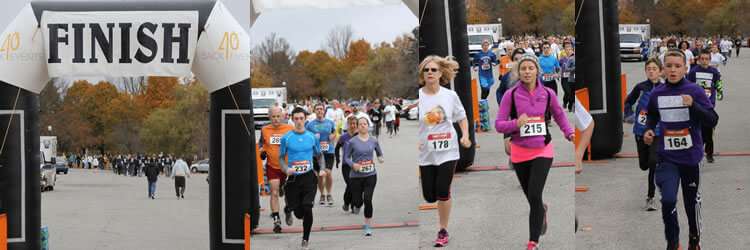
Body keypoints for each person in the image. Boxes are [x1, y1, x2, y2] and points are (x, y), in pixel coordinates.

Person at [494, 54, 574, 250]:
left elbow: (559, 114)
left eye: (531, 68)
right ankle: (542, 212)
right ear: (518, 72)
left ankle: (533, 242)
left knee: (535, 194)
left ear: (537, 71)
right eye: (523, 69)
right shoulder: (510, 95)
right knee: (532, 198)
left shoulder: (548, 93)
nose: (527, 72)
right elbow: (499, 125)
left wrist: (569, 133)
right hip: (519, 151)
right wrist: (516, 123)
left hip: (542, 150)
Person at [643, 50, 718, 250]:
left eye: (677, 66)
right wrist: (649, 129)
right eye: (669, 66)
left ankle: (694, 238)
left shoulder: (694, 91)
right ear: (662, 70)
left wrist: (693, 105)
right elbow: (651, 115)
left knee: (690, 203)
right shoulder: (657, 93)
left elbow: (712, 119)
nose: (673, 70)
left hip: (691, 158)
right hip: (667, 158)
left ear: (685, 69)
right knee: (667, 200)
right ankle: (673, 242)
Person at [418, 55, 472, 247]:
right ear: (422, 75)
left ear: (441, 73)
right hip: (426, 153)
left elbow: (462, 117)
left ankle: (443, 230)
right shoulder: (419, 98)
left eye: (433, 70)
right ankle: (439, 202)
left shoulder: (450, 96)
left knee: (443, 191)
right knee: (429, 196)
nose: (430, 73)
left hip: (448, 150)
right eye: (426, 70)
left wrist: (465, 135)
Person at [280, 107, 326, 249]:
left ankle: (305, 239)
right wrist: (286, 169)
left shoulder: (312, 137)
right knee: (299, 213)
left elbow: (320, 155)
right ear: (292, 120)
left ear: (305, 120)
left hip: (309, 178)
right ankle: (289, 209)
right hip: (293, 180)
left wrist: (323, 169)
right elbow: (281, 158)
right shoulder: (286, 138)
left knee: (307, 207)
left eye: (301, 119)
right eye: (296, 119)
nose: (299, 122)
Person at [623, 58, 663, 211]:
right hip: (640, 131)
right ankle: (647, 164)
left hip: (657, 132)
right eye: (649, 68)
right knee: (644, 164)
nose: (651, 71)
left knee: (653, 163)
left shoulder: (664, 88)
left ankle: (650, 197)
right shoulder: (640, 87)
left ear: (660, 71)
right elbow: (628, 101)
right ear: (646, 71)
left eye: (654, 68)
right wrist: (628, 115)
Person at [343, 117, 384, 236]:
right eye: (360, 124)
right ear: (357, 126)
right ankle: (356, 204)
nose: (362, 126)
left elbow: (380, 153)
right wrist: (353, 165)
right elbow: (346, 157)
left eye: (364, 124)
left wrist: (380, 158)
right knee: (358, 202)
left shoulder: (373, 140)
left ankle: (367, 225)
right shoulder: (352, 141)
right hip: (356, 176)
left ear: (368, 126)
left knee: (368, 199)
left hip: (371, 175)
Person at [260, 106, 295, 233]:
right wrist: (263, 153)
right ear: (270, 117)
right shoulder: (265, 130)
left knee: (288, 194)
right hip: (272, 166)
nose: (275, 119)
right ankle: (276, 220)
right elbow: (263, 145)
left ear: (282, 116)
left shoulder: (290, 129)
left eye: (278, 116)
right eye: (273, 116)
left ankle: (288, 209)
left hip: (286, 167)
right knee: (274, 193)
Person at [686, 49, 722, 163]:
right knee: (697, 129)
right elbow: (688, 84)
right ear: (699, 60)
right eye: (702, 59)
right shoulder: (694, 71)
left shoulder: (714, 72)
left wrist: (720, 93)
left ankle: (709, 154)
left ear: (710, 60)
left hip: (709, 104)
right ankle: (698, 152)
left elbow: (718, 83)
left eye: (707, 59)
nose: (705, 61)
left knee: (709, 130)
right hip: (696, 105)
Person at [305, 104, 337, 206]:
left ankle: (329, 194)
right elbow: (307, 138)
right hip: (317, 153)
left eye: (321, 109)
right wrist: (314, 138)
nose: (319, 111)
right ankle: (322, 195)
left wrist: (333, 137)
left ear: (324, 111)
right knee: (320, 175)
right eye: (317, 109)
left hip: (329, 152)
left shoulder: (330, 123)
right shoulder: (310, 125)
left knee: (328, 172)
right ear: (314, 111)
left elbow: (334, 132)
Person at [335, 116, 359, 212]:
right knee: (350, 184)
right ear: (348, 124)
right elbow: (337, 148)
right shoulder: (344, 137)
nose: (353, 126)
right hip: (346, 165)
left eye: (354, 124)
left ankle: (353, 205)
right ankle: (346, 202)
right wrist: (337, 159)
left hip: (357, 165)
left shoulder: (360, 136)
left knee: (356, 185)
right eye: (351, 124)